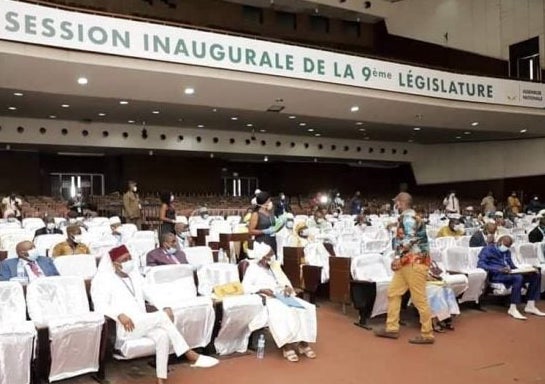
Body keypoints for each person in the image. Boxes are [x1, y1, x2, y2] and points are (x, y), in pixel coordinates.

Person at [91, 245, 218, 384]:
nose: (129, 261)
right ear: (115, 264)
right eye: (125, 259)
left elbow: (151, 294)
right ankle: (189, 353)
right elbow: (100, 305)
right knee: (162, 317)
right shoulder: (103, 280)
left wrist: (164, 306)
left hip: (144, 323)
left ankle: (161, 379)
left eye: (130, 258)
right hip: (126, 327)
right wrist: (119, 314)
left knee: (163, 335)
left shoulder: (135, 277)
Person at [242, 242, 317, 362]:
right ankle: (286, 346)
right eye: (270, 255)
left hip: (282, 295)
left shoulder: (274, 266)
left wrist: (287, 287)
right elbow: (245, 287)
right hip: (267, 297)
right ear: (262, 257)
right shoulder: (253, 268)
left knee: (304, 308)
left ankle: (303, 343)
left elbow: (284, 281)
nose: (272, 257)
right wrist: (262, 289)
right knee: (284, 311)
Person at [374, 192, 434, 344]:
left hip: (414, 262)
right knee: (393, 292)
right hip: (407, 263)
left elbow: (409, 239)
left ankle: (427, 333)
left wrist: (398, 258)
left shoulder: (407, 218)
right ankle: (392, 327)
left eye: (396, 203)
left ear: (400, 203)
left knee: (419, 299)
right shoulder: (410, 217)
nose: (395, 205)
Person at [477, 235, 545, 320]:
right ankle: (513, 308)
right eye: (505, 246)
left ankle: (530, 305)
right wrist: (499, 269)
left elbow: (512, 266)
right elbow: (481, 264)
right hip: (496, 275)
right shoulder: (487, 249)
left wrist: (526, 270)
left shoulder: (507, 252)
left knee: (535, 275)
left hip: (509, 274)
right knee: (518, 278)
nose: (506, 248)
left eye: (508, 246)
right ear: (500, 242)